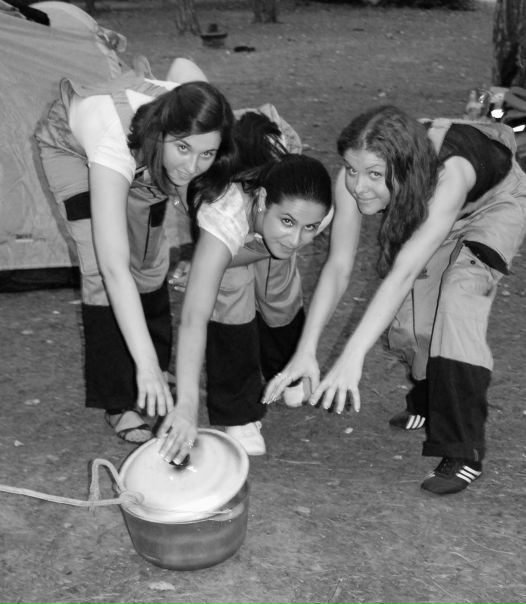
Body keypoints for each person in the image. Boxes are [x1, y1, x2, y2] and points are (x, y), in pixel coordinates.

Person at [263, 105, 526, 495]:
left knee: (458, 299)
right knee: (413, 317)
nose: (359, 186)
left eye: (374, 174)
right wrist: (306, 350)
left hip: (492, 206)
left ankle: (463, 450)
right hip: (433, 210)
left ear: (403, 167)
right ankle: (428, 398)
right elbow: (338, 267)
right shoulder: (351, 179)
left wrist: (352, 357)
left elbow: (403, 272)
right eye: (352, 169)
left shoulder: (449, 174)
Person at [35, 58, 236, 443]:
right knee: (100, 267)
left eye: (206, 154)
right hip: (72, 150)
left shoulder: (202, 116)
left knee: (147, 260)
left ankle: (157, 369)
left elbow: (183, 65)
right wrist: (141, 365)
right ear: (163, 133)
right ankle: (119, 399)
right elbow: (114, 269)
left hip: (146, 160)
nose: (192, 166)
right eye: (183, 148)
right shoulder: (113, 140)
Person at [157, 112, 333, 460]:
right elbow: (193, 318)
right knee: (230, 292)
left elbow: (290, 235)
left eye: (309, 228)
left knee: (279, 290)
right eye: (288, 221)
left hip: (263, 189)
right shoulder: (223, 213)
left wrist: (204, 266)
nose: (297, 238)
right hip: (227, 212)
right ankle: (239, 413)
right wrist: (187, 405)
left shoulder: (313, 207)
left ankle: (288, 371)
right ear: (264, 199)